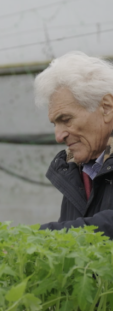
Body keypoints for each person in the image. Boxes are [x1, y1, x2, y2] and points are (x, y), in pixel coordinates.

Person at [36, 52, 113, 238]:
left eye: (66, 119)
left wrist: (24, 240)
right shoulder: (73, 169)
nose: (58, 136)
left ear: (106, 107)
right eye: (55, 124)